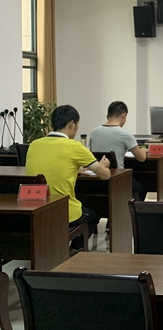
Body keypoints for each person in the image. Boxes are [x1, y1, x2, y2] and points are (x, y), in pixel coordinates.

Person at [25, 105, 111, 251]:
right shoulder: (74, 146)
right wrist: (103, 165)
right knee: (93, 215)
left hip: (36, 208)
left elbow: (51, 165)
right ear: (71, 124)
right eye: (77, 125)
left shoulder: (34, 144)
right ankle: (75, 250)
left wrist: (75, 168)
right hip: (62, 211)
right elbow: (105, 175)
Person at [89, 101, 149, 201]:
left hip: (98, 177)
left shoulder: (93, 132)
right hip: (119, 178)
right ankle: (134, 210)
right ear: (123, 116)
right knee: (142, 188)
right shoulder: (125, 134)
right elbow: (141, 158)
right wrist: (143, 150)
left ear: (107, 116)